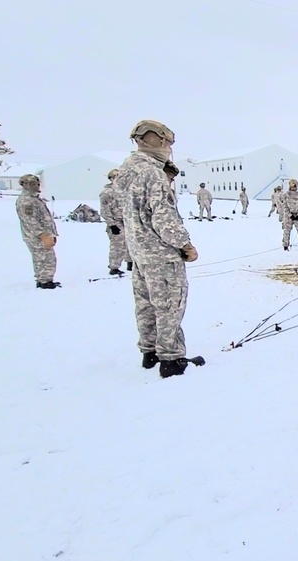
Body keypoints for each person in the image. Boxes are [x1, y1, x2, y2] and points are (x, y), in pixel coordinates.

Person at [115, 119, 202, 378]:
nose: (169, 148)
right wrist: (184, 244)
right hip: (161, 253)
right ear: (158, 140)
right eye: (168, 142)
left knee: (146, 304)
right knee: (169, 306)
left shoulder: (127, 170)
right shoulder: (152, 173)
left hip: (139, 252)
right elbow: (162, 216)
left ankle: (150, 352)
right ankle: (171, 359)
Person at [15, 174, 60, 289]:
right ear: (25, 185)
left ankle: (44, 279)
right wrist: (43, 234)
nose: (36, 186)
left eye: (37, 183)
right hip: (37, 236)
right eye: (32, 184)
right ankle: (45, 281)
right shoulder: (26, 201)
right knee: (45, 258)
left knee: (44, 258)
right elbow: (30, 221)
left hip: (42, 235)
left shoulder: (34, 198)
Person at [100, 168, 131, 275]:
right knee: (118, 245)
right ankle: (114, 267)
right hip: (116, 222)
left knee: (130, 243)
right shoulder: (107, 193)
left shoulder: (126, 191)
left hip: (127, 221)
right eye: (116, 177)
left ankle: (131, 263)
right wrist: (112, 224)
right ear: (111, 179)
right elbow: (105, 210)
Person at [280, 179, 298, 251]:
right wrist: (290, 214)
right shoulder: (285, 195)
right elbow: (284, 206)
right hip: (288, 216)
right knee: (286, 231)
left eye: (295, 186)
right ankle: (285, 245)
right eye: (293, 186)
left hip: (297, 216)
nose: (294, 188)